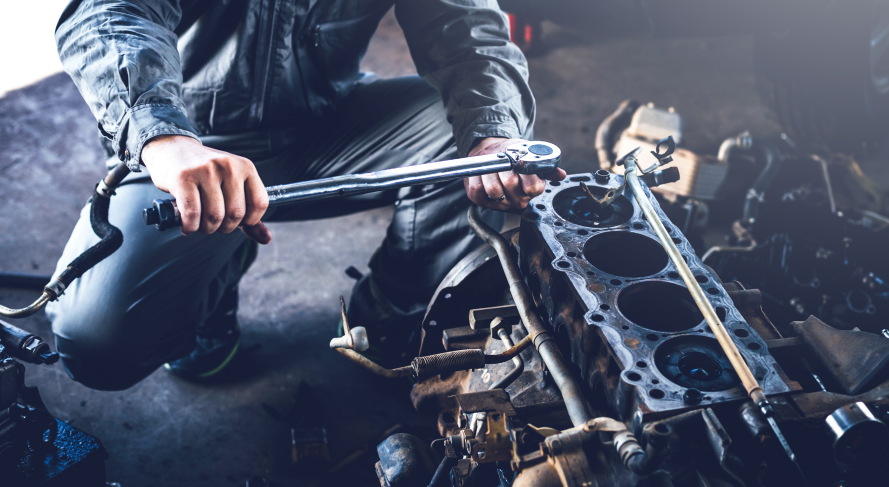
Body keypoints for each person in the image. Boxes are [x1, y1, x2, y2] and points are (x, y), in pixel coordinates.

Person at [49, 0, 566, 389]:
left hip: (330, 125)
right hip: (197, 149)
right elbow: (108, 12)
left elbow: (467, 31)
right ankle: (213, 282)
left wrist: (492, 135)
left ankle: (387, 319)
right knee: (98, 344)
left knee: (475, 137)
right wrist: (162, 138)